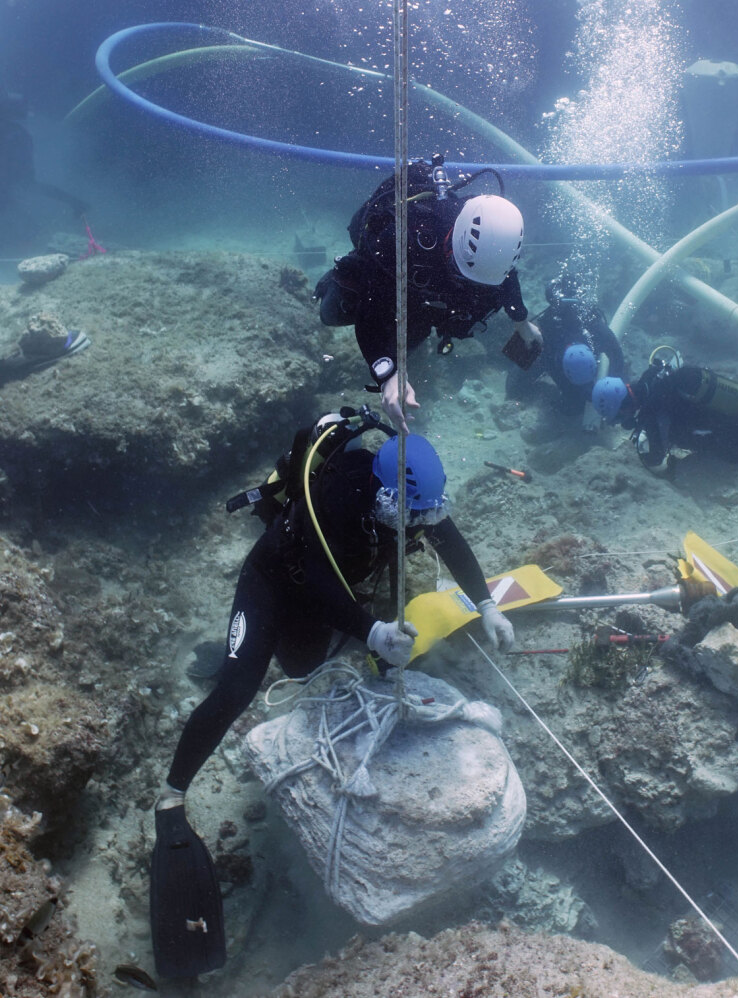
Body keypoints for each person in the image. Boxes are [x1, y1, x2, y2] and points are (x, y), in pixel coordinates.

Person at [157, 411, 514, 809]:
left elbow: (451, 542)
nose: (420, 523)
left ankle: (269, 644)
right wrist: (373, 632)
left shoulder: (413, 502)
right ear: (385, 494)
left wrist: (487, 605)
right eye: (412, 513)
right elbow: (313, 581)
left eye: (426, 513)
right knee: (238, 689)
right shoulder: (341, 496)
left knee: (302, 667)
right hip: (275, 579)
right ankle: (173, 793)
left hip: (327, 592)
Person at [314, 157, 542, 431]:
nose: (471, 285)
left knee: (414, 338)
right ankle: (335, 279)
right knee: (332, 313)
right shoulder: (403, 237)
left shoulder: (497, 250)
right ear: (455, 241)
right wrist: (387, 376)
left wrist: (521, 321)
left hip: (425, 294)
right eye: (462, 271)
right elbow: (369, 315)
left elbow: (508, 281)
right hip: (393, 274)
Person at [591, 352, 738, 475]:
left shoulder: (651, 413)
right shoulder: (651, 377)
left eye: (618, 418)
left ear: (623, 408)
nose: (621, 423)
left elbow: (656, 461)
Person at [505, 277, 626, 416]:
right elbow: (524, 364)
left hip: (562, 353)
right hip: (551, 351)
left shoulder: (597, 328)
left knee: (577, 404)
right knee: (514, 388)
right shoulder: (548, 330)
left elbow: (617, 358)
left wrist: (613, 390)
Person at [0, 88, 88, 223]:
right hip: (15, 172)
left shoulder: (15, 133)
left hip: (13, 172)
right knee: (27, 188)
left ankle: (76, 204)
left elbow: (19, 157)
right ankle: (77, 203)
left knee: (17, 192)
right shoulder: (16, 131)